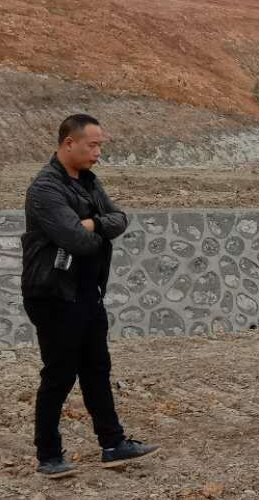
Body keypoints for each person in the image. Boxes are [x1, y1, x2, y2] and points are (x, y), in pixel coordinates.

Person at [21, 114, 158, 478]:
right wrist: (97, 229)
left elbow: (119, 218)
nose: (98, 153)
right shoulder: (45, 189)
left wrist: (95, 222)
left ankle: (113, 443)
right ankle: (48, 455)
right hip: (53, 294)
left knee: (97, 368)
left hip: (86, 291)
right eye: (92, 145)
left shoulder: (89, 182)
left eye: (100, 145)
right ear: (69, 143)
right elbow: (76, 241)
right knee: (59, 374)